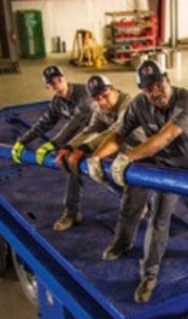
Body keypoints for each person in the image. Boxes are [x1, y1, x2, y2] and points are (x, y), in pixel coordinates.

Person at [87, 60, 188, 304]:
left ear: (167, 79)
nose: (155, 92)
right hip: (167, 169)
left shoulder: (187, 100)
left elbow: (166, 136)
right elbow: (118, 134)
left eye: (159, 84)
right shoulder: (138, 105)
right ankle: (149, 275)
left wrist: (128, 156)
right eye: (148, 89)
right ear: (141, 90)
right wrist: (97, 156)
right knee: (158, 219)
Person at [52, 74, 145, 231]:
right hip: (118, 149)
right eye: (96, 98)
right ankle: (72, 212)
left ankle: (135, 200)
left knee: (97, 154)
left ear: (114, 89)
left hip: (141, 150)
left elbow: (117, 130)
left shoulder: (129, 103)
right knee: (74, 160)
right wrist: (70, 146)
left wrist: (85, 147)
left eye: (105, 96)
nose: (101, 101)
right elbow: (91, 129)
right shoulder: (100, 107)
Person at [10, 65, 93, 229]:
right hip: (84, 139)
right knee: (71, 166)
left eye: (59, 80)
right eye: (53, 84)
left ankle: (137, 203)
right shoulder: (57, 102)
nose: (58, 85)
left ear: (65, 78)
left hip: (107, 134)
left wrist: (53, 143)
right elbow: (45, 123)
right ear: (48, 87)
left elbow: (78, 120)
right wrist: (22, 141)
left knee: (108, 175)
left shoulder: (84, 93)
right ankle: (71, 213)